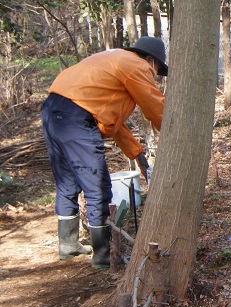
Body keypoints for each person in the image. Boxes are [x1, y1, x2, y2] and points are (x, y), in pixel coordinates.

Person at [41, 36, 168, 269]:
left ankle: (68, 244)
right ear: (150, 59)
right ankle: (104, 255)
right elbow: (155, 107)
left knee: (68, 181)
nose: (154, 74)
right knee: (97, 185)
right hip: (76, 117)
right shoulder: (137, 65)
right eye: (157, 69)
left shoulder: (113, 60)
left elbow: (114, 123)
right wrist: (174, 131)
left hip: (52, 110)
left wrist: (137, 154)